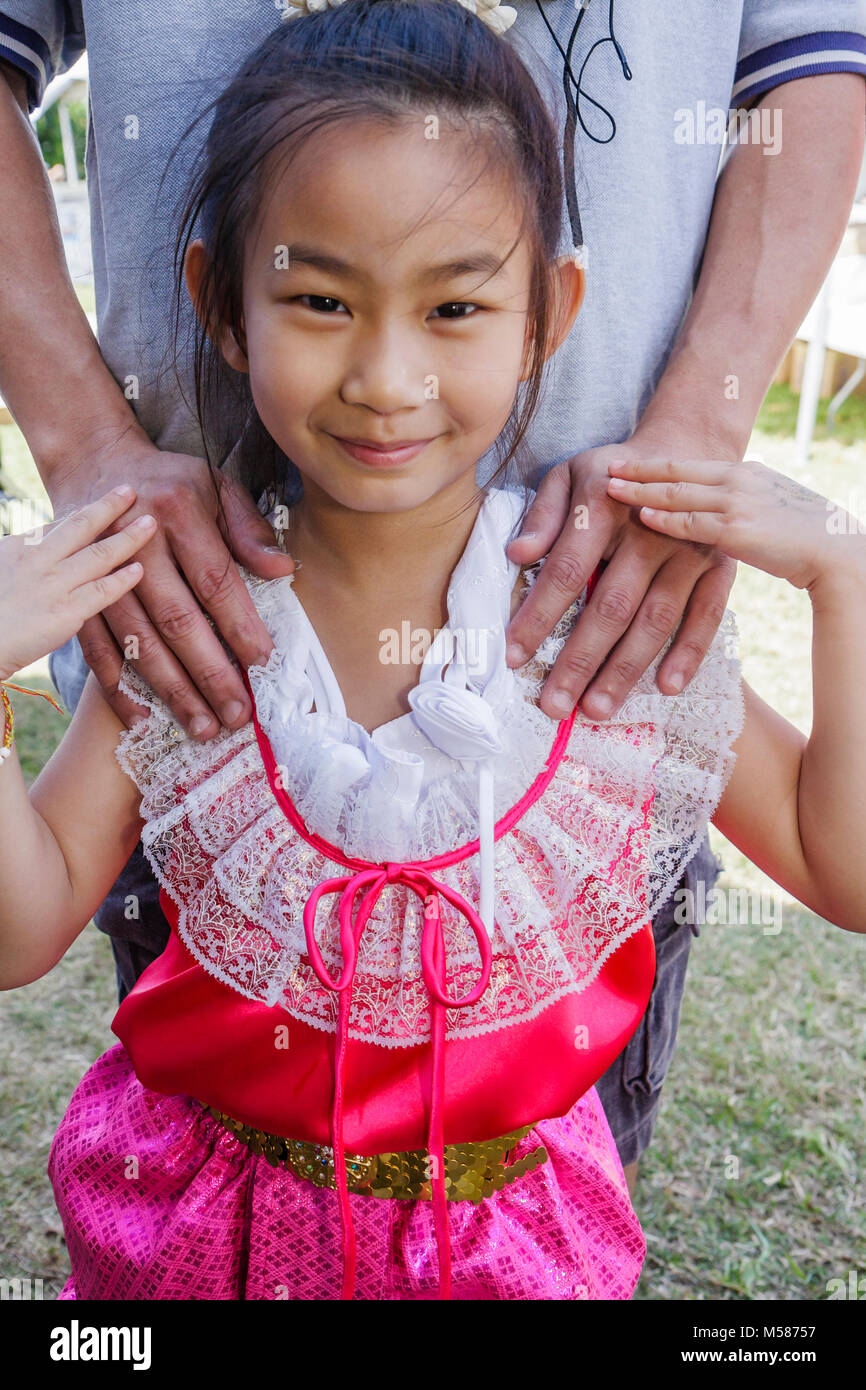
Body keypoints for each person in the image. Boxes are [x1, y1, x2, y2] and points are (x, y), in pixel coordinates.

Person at [0, 0, 864, 1302]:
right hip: (197, 1248)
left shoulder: (602, 635)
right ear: (218, 307)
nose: (387, 377)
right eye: (318, 299)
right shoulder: (194, 629)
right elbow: (26, 920)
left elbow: (836, 859)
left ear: (547, 313)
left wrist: (844, 582)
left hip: (522, 1255)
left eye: (455, 304)